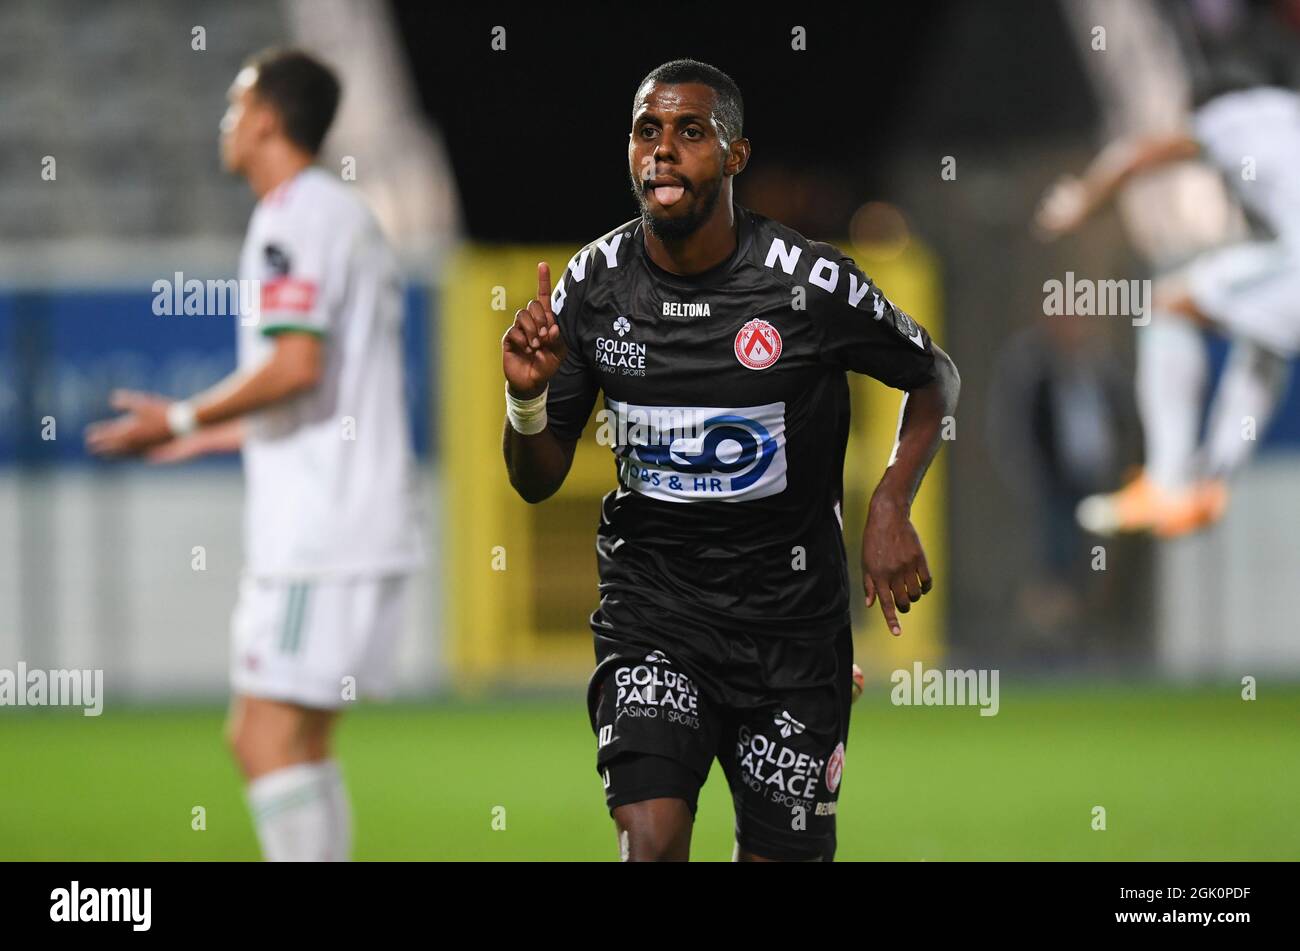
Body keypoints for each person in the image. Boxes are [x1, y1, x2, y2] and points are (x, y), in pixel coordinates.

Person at [501, 59, 959, 861]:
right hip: (655, 613)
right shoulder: (594, 286)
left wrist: (890, 502)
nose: (664, 151)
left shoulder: (807, 286)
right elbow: (535, 478)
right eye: (649, 132)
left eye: (689, 133)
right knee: (652, 836)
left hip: (793, 632)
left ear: (735, 157)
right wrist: (527, 400)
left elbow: (934, 376)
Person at [86, 48, 422, 860]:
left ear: (267, 119)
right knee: (299, 744)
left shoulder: (291, 216)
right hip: (360, 521)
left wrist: (179, 416)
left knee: (261, 738)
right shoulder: (348, 216)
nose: (226, 123)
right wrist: (205, 433)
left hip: (319, 536)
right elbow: (327, 388)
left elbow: (295, 365)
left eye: (236, 106)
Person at [1036, 77, 1300, 537]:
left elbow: (1132, 155)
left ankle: (1168, 481)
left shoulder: (1229, 116)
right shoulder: (1286, 110)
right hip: (1288, 266)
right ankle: (1208, 483)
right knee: (1266, 343)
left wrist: (1082, 202)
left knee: (1165, 307)